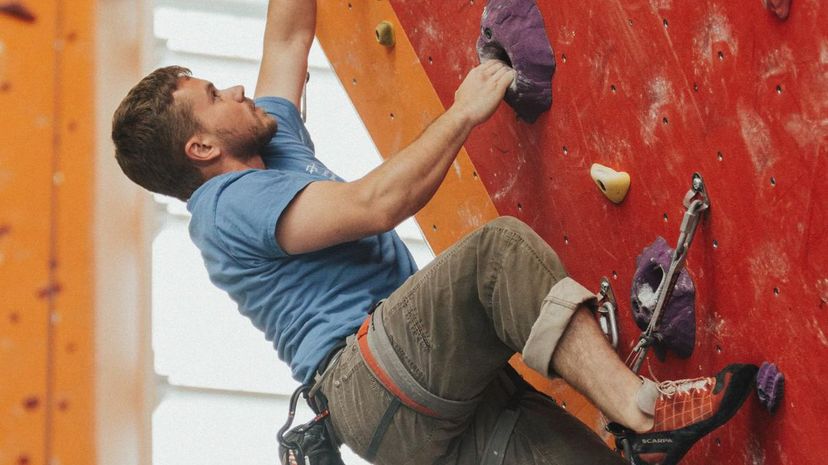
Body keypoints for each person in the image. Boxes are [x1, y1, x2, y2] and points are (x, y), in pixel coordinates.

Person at [111, 1, 757, 464]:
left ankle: (635, 424)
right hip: (372, 375)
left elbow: (287, 37)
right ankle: (643, 414)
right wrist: (463, 113)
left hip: (405, 409)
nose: (234, 87)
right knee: (496, 258)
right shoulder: (225, 206)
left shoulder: (266, 145)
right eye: (213, 94)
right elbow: (375, 203)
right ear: (200, 146)